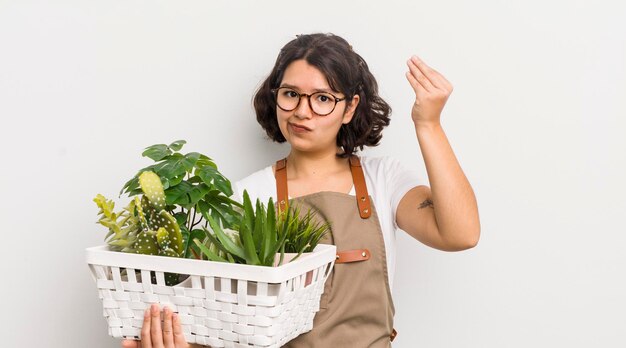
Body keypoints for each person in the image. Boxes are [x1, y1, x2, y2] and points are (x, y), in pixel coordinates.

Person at [122, 32, 480, 348]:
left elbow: (461, 233)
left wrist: (429, 124)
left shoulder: (383, 180)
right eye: (291, 94)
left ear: (350, 107)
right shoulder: (247, 196)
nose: (301, 112)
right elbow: (218, 323)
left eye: (322, 98)